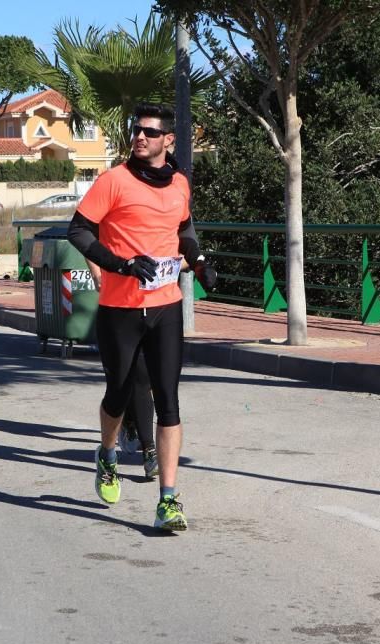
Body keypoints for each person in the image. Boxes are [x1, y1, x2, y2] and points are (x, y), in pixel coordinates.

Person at [67, 102, 217, 531]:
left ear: (168, 140)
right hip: (120, 308)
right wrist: (120, 264)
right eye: (137, 131)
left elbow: (184, 231)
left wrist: (200, 261)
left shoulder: (179, 184)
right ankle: (108, 454)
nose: (140, 137)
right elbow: (78, 229)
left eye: (150, 132)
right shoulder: (114, 180)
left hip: (166, 306)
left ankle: (168, 500)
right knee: (117, 393)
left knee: (168, 400)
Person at [87, 261, 158, 479]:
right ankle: (125, 420)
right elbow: (87, 237)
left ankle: (149, 450)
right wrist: (97, 272)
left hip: (152, 302)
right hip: (117, 304)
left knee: (143, 377)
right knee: (123, 382)